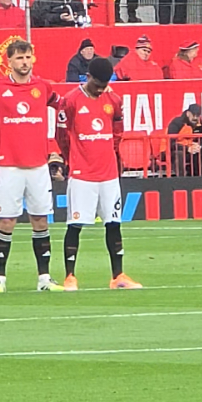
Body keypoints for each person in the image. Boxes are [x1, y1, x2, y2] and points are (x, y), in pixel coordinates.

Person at [0, 40, 64, 293]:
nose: (24, 62)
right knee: (6, 221)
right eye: (19, 58)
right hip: (9, 166)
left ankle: (44, 279)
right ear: (9, 62)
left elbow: (65, 105)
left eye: (28, 57)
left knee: (40, 220)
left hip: (38, 165)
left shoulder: (43, 86)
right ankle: (0, 279)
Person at [58, 56, 142, 290]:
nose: (101, 89)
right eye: (97, 85)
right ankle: (70, 276)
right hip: (82, 173)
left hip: (108, 174)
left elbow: (117, 131)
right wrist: (71, 159)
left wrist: (112, 155)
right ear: (88, 77)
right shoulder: (70, 101)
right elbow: (62, 136)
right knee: (75, 224)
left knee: (113, 222)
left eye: (105, 85)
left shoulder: (114, 99)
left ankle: (118, 276)